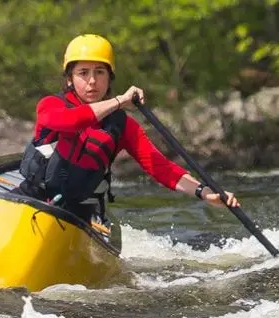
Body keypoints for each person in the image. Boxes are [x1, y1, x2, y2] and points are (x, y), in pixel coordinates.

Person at [16, 33, 240, 224]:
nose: (92, 81)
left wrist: (205, 192)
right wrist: (120, 101)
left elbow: (160, 167)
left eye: (99, 72)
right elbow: (71, 121)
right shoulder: (50, 105)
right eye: (83, 73)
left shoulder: (122, 125)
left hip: (77, 217)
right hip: (31, 200)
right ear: (69, 79)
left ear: (109, 78)